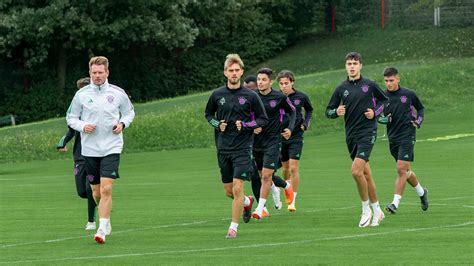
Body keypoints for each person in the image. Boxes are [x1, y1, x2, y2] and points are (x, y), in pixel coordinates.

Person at [66, 56, 135, 244]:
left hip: (112, 147)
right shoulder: (81, 95)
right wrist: (82, 126)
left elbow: (129, 112)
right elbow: (71, 118)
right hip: (89, 150)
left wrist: (122, 123)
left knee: (106, 189)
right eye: (94, 73)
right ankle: (107, 217)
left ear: (107, 72)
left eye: (100, 72)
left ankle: (102, 228)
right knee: (96, 192)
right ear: (90, 73)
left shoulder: (117, 93)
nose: (97, 76)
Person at [204, 54, 268, 238]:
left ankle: (233, 228)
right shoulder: (217, 95)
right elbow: (208, 115)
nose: (233, 73)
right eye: (230, 70)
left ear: (241, 72)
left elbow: (262, 119)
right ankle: (247, 202)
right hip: (223, 148)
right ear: (225, 73)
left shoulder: (250, 96)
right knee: (229, 191)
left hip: (243, 148)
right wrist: (218, 124)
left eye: (236, 70)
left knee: (238, 187)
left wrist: (247, 125)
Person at [325, 52, 388, 227]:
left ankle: (365, 209)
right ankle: (377, 210)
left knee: (356, 171)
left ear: (360, 66)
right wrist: (336, 112)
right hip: (350, 136)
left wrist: (374, 113)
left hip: (367, 133)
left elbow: (385, 101)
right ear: (345, 67)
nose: (352, 66)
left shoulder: (370, 85)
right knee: (366, 175)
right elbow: (328, 111)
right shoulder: (341, 88)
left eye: (355, 63)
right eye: (349, 64)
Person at [378, 67, 428, 214]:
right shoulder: (382, 97)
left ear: (398, 79)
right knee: (406, 171)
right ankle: (422, 192)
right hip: (392, 137)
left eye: (391, 80)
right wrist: (383, 119)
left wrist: (418, 121)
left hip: (407, 135)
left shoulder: (408, 94)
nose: (388, 84)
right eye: (386, 81)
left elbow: (421, 109)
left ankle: (394, 203)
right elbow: (377, 116)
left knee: (401, 169)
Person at [250, 68, 296, 219]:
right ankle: (281, 189)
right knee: (261, 175)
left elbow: (293, 111)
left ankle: (259, 209)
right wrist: (252, 126)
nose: (260, 83)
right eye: (258, 80)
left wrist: (289, 128)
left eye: (263, 80)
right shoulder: (252, 97)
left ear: (270, 82)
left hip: (273, 141)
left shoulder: (279, 97)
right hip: (256, 142)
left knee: (266, 175)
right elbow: (246, 116)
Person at [57, 77, 97, 231]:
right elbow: (71, 131)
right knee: (82, 191)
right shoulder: (76, 111)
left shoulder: (97, 110)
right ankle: (100, 200)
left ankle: (91, 221)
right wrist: (62, 143)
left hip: (94, 154)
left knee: (89, 188)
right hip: (79, 156)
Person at [277, 70, 313, 212]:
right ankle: (287, 188)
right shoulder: (277, 98)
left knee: (293, 168)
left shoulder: (301, 97)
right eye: (281, 84)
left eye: (286, 83)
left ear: (292, 82)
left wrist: (305, 124)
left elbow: (309, 110)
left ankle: (293, 200)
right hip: (281, 137)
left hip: (296, 136)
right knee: (285, 169)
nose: (284, 86)